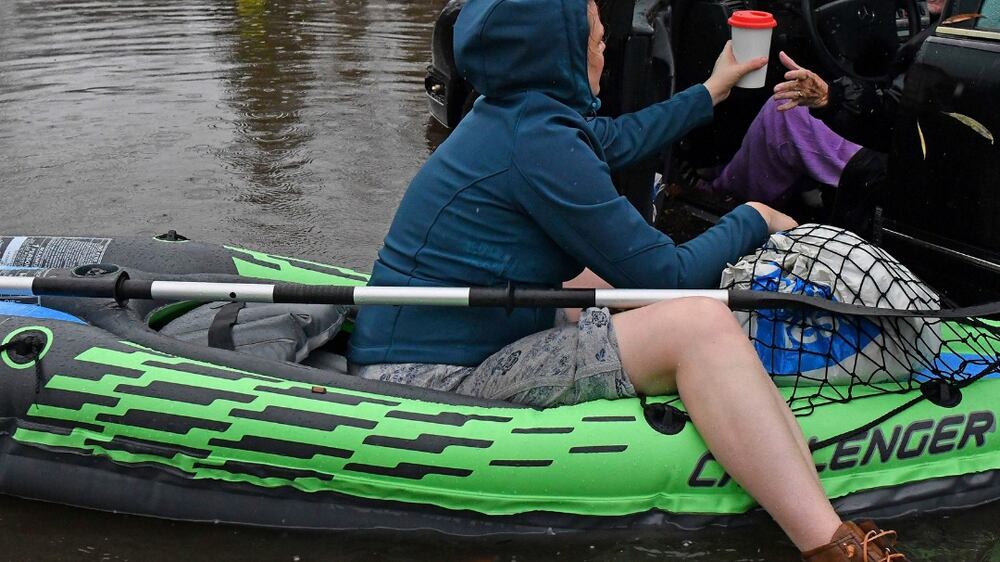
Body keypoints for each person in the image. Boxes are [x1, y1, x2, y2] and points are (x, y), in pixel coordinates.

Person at [348, 0, 907, 559]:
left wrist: (714, 87)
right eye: (592, 39)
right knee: (699, 324)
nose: (604, 48)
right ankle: (832, 546)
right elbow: (669, 277)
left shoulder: (514, 113)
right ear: (555, 53)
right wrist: (754, 217)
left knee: (597, 278)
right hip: (428, 382)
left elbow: (613, 139)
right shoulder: (539, 144)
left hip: (446, 337)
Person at [702, 0, 946, 237]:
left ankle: (726, 196)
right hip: (935, 158)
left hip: (903, 160)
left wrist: (833, 97)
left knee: (785, 112)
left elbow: (890, 119)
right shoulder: (965, 24)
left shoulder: (949, 40)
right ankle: (737, 174)